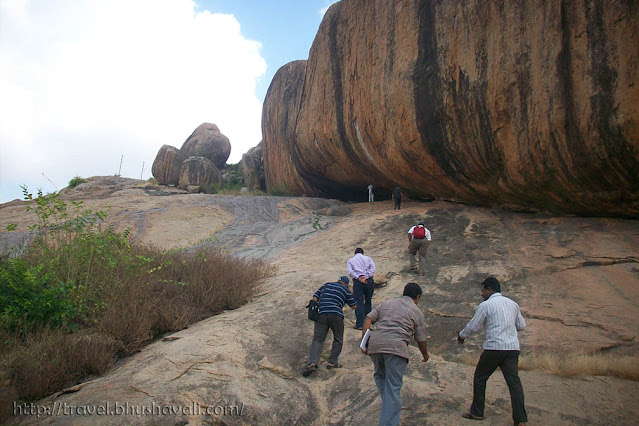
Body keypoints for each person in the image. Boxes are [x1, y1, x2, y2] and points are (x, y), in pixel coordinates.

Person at [457, 277, 528, 425]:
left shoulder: (486, 305)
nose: (482, 294)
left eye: (483, 290)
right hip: (512, 348)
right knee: (514, 383)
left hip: (494, 347)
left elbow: (474, 325)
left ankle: (477, 412)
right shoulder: (513, 304)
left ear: (489, 289)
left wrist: (462, 336)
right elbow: (521, 326)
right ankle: (520, 419)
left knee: (480, 377)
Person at [361, 283, 429, 426]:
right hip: (396, 348)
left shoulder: (387, 303)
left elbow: (368, 318)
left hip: (376, 345)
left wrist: (364, 341)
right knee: (393, 389)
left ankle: (388, 407)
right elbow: (421, 339)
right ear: (417, 297)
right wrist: (425, 355)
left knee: (380, 376)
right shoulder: (416, 311)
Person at [303, 276, 357, 377]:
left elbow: (315, 298)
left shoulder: (326, 285)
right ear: (346, 284)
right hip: (336, 315)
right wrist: (351, 292)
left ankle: (313, 363)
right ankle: (332, 362)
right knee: (338, 338)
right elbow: (354, 306)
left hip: (322, 314)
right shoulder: (345, 290)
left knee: (318, 339)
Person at [347, 247, 376, 330]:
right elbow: (373, 268)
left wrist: (359, 277)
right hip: (368, 280)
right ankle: (368, 324)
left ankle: (360, 324)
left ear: (355, 253)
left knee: (358, 302)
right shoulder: (368, 258)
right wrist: (366, 276)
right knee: (368, 300)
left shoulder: (351, 260)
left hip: (358, 281)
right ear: (363, 253)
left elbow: (350, 272)